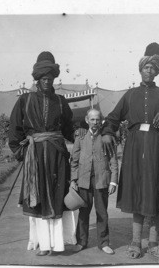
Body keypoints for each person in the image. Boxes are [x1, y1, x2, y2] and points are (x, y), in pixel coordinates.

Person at [101, 42, 159, 259]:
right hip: (136, 148)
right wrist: (107, 132)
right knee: (137, 191)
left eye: (153, 68)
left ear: (157, 72)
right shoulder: (130, 95)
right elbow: (113, 117)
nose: (150, 71)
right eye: (147, 67)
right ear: (141, 69)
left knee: (155, 191)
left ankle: (154, 242)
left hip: (158, 148)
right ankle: (136, 242)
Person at [8, 51, 74, 256]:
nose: (47, 81)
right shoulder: (25, 101)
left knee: (56, 197)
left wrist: (79, 140)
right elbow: (15, 130)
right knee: (39, 200)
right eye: (43, 78)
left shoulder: (61, 102)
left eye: (50, 78)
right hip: (35, 156)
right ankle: (44, 244)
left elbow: (70, 130)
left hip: (57, 156)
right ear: (37, 79)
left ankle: (59, 244)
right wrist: (22, 152)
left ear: (54, 78)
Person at [70, 108, 118, 255]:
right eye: (92, 119)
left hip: (101, 180)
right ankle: (81, 242)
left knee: (102, 213)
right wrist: (73, 179)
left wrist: (113, 182)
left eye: (97, 119)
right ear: (87, 120)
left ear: (101, 121)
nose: (95, 122)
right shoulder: (80, 137)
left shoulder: (106, 138)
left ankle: (103, 243)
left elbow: (113, 161)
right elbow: (74, 160)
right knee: (83, 212)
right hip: (84, 181)